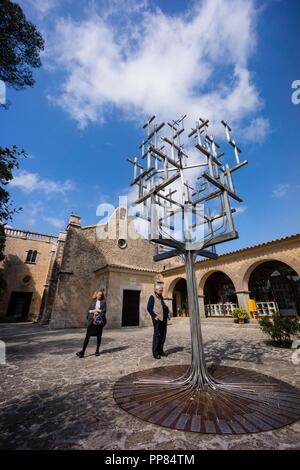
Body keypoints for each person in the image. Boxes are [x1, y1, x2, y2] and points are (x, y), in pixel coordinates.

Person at [76, 291, 107, 358]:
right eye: (99, 295)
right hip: (92, 321)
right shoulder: (93, 301)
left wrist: (98, 312)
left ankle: (97, 351)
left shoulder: (103, 302)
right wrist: (93, 311)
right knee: (87, 336)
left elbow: (104, 311)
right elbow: (88, 311)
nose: (100, 296)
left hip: (99, 321)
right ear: (96, 295)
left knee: (99, 336)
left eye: (101, 295)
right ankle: (82, 352)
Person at [147, 284, 170, 359]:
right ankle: (155, 352)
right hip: (157, 319)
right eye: (160, 290)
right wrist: (154, 316)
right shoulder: (152, 297)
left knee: (163, 335)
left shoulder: (161, 297)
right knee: (157, 335)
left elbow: (163, 307)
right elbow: (149, 308)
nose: (161, 291)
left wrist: (168, 313)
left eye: (162, 290)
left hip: (163, 319)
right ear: (156, 290)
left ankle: (160, 351)